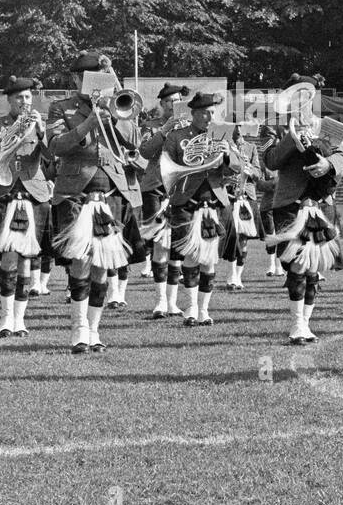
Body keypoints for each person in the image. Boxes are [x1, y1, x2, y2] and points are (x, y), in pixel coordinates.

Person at [47, 54, 146, 352]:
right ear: (77, 79)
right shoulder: (60, 107)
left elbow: (134, 142)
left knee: (103, 263)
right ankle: (78, 329)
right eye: (89, 76)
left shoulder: (117, 105)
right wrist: (89, 123)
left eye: (100, 77)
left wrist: (115, 116)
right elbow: (55, 146)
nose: (96, 82)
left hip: (112, 191)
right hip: (74, 192)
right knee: (81, 261)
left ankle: (94, 330)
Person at [265, 74, 343, 344]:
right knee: (298, 264)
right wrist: (292, 135)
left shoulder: (327, 125)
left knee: (313, 267)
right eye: (294, 94)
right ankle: (296, 323)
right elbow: (272, 161)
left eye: (304, 94)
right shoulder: (272, 127)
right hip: (289, 203)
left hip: (319, 203)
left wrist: (328, 164)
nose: (299, 99)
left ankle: (305, 324)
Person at [149, 92, 240, 325]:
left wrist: (228, 155)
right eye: (204, 113)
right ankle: (190, 308)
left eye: (212, 113)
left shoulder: (221, 133)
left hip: (214, 201)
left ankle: (204, 310)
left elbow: (236, 169)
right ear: (194, 114)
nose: (209, 117)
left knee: (209, 259)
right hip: (186, 201)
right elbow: (165, 166)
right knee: (189, 257)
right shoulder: (178, 136)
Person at [0, 76, 54, 339]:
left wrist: (42, 132)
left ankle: (20, 320)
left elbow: (50, 158)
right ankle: (5, 317)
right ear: (9, 100)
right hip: (4, 192)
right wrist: (5, 143)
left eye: (27, 97)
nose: (24, 102)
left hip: (33, 193)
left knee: (26, 260)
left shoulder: (39, 124)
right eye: (19, 98)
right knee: (9, 258)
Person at [136, 83, 190, 319]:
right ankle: (160, 302)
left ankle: (173, 302)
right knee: (160, 244)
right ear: (162, 104)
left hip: (181, 189)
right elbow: (146, 152)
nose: (173, 105)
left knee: (177, 246)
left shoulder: (190, 128)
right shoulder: (151, 126)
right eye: (169, 101)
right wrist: (166, 130)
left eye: (177, 100)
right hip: (155, 187)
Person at [221, 123, 262, 291]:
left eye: (240, 126)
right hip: (229, 195)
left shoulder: (251, 147)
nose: (238, 130)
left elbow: (259, 173)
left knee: (244, 238)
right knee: (232, 236)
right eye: (235, 126)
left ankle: (238, 276)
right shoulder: (224, 144)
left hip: (247, 195)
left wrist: (249, 169)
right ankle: (230, 275)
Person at [256, 126, 283, 277]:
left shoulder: (284, 160)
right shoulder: (263, 162)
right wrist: (274, 184)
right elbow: (259, 184)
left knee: (282, 235)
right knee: (271, 236)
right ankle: (272, 264)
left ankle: (281, 265)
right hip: (268, 204)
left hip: (283, 203)